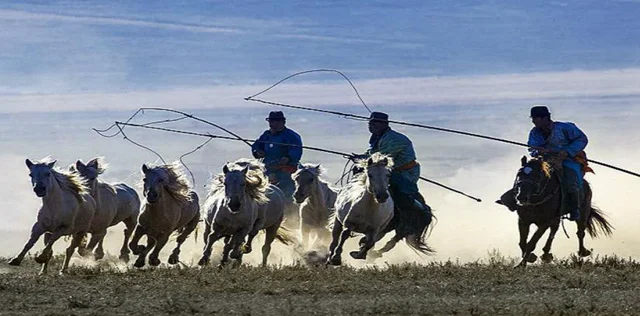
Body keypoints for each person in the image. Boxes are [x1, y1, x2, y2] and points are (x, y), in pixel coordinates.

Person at [351, 111, 432, 239]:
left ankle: (421, 209)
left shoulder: (394, 139)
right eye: (370, 123)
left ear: (384, 125)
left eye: (375, 123)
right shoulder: (378, 137)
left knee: (401, 194)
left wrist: (363, 159)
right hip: (389, 170)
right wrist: (359, 158)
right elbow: (371, 152)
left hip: (405, 173)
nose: (371, 126)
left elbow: (381, 157)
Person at [527, 105, 589, 221]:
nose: (535, 121)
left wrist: (567, 152)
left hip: (569, 160)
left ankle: (574, 208)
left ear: (546, 118)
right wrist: (538, 152)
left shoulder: (565, 127)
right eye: (533, 119)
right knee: (527, 174)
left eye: (537, 118)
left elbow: (582, 139)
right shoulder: (534, 133)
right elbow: (531, 148)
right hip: (546, 161)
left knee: (572, 178)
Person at [251, 111, 303, 201]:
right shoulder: (266, 135)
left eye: (277, 122)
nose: (274, 124)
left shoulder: (292, 136)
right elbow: (256, 146)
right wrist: (257, 152)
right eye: (272, 122)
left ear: (283, 122)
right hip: (268, 170)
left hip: (286, 173)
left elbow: (296, 150)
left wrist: (288, 158)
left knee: (287, 195)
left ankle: (290, 210)